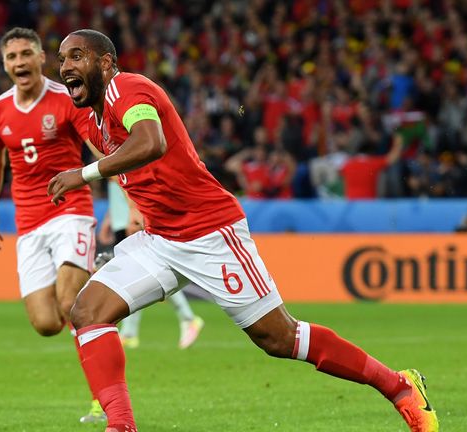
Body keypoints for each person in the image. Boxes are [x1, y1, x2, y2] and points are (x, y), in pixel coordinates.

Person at [49, 29, 438, 432]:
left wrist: (84, 173)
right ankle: (121, 425)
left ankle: (400, 386)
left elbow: (152, 142)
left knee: (279, 338)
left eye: (76, 56)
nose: (65, 67)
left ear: (106, 63)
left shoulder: (127, 89)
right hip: (162, 239)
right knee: (88, 312)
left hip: (211, 232)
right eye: (61, 60)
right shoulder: (90, 115)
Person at [0, 27, 105, 424]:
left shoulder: (66, 101)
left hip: (71, 210)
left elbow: (100, 149)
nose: (19, 62)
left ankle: (102, 401)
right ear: (5, 65)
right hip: (29, 223)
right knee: (47, 324)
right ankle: (97, 273)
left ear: (40, 59)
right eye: (12, 57)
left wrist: (129, 197)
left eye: (26, 54)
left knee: (72, 306)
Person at [98, 179, 205, 349]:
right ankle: (131, 332)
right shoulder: (113, 158)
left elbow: (129, 186)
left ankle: (187, 318)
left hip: (131, 219)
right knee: (135, 275)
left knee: (144, 273)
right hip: (121, 219)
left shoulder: (120, 157)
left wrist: (134, 212)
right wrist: (109, 220)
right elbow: (118, 188)